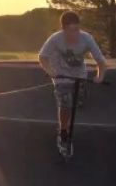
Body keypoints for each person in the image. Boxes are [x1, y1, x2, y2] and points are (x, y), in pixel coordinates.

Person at [38, 11, 107, 155]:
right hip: (60, 75)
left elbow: (101, 62)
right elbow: (43, 57)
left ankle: (79, 96)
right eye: (70, 31)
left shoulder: (87, 38)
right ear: (63, 29)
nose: (74, 34)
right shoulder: (55, 39)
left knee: (77, 100)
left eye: (77, 30)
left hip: (79, 74)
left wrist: (100, 77)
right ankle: (63, 132)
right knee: (65, 103)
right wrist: (50, 71)